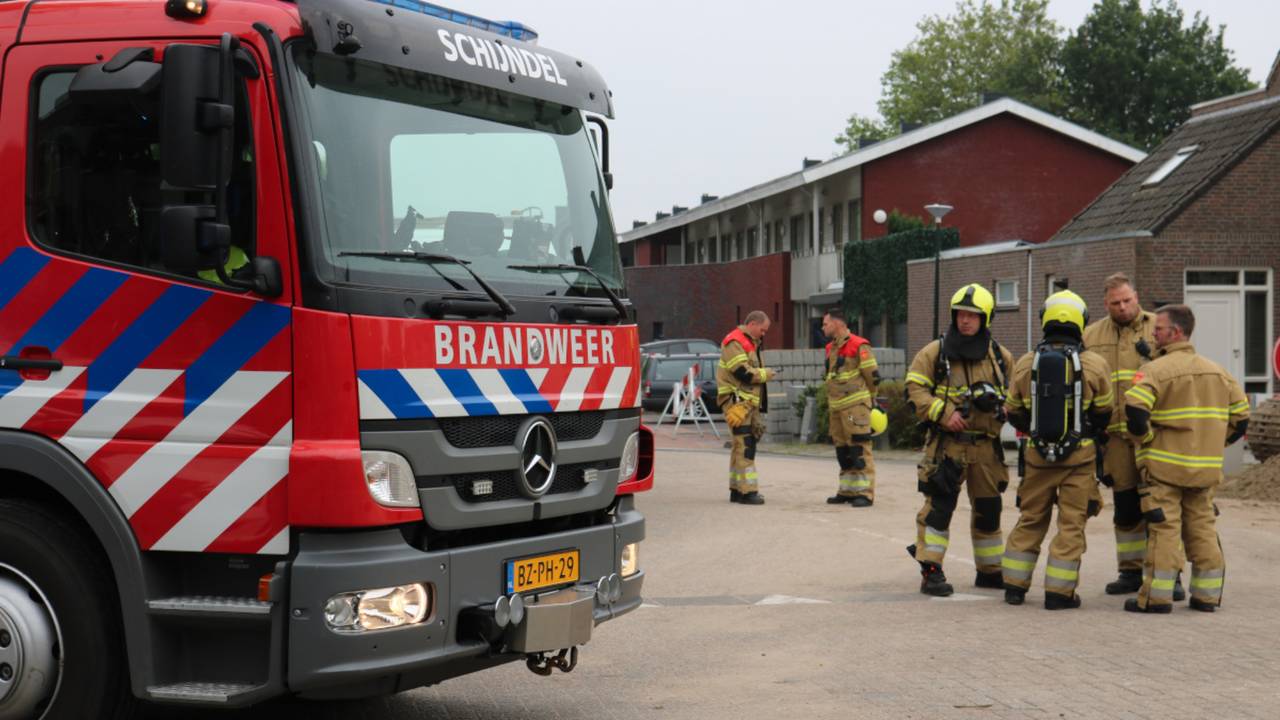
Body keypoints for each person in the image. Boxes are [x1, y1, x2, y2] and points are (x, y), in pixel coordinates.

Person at [1123, 305, 1249, 614]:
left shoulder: (1155, 370)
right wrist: (1215, 444)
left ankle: (1156, 598)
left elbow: (1135, 412)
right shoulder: (1219, 371)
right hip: (1205, 470)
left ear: (1176, 333)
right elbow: (1242, 419)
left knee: (1164, 530)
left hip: (1164, 468)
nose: (1154, 333)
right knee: (1202, 529)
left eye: (1160, 329)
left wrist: (1145, 440)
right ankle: (1206, 596)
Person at [1002, 291, 1113, 609]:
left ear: (1044, 320)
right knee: (1071, 524)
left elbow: (1013, 411)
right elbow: (1105, 411)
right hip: (1080, 460)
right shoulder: (1095, 364)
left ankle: (1013, 586)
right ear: (1082, 322)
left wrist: (1038, 433)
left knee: (1031, 518)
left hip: (1037, 458)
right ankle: (1059, 593)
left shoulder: (1026, 363)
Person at [904, 284, 1015, 596]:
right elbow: (913, 389)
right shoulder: (935, 353)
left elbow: (1018, 395)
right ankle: (932, 571)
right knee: (938, 509)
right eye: (960, 314)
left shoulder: (1000, 357)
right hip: (947, 447)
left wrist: (1006, 406)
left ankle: (990, 571)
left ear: (986, 318)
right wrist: (943, 412)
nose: (965, 320)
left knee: (989, 511)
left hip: (986, 449)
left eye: (973, 315)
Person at [1081, 273, 1163, 595]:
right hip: (1114, 438)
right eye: (1116, 303)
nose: (1123, 307)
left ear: (1136, 296)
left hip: (1154, 436)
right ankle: (1129, 572)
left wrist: (1154, 354)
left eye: (1127, 300)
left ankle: (1167, 572)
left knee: (1159, 505)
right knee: (1126, 506)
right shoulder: (1092, 335)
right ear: (1106, 304)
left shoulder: (1159, 326)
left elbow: (1179, 368)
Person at [716, 311, 776, 505]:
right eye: (762, 329)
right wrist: (765, 374)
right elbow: (743, 373)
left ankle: (737, 490)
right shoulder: (735, 342)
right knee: (745, 446)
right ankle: (748, 492)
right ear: (752, 324)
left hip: (744, 404)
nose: (764, 334)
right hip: (737, 403)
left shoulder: (749, 343)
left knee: (739, 446)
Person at [821, 309, 879, 507]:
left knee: (859, 449)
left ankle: (865, 493)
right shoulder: (830, 348)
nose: (823, 327)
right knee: (843, 452)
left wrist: (871, 399)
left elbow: (872, 376)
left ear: (838, 323)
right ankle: (847, 491)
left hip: (855, 409)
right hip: (837, 409)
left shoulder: (859, 345)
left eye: (825, 323)